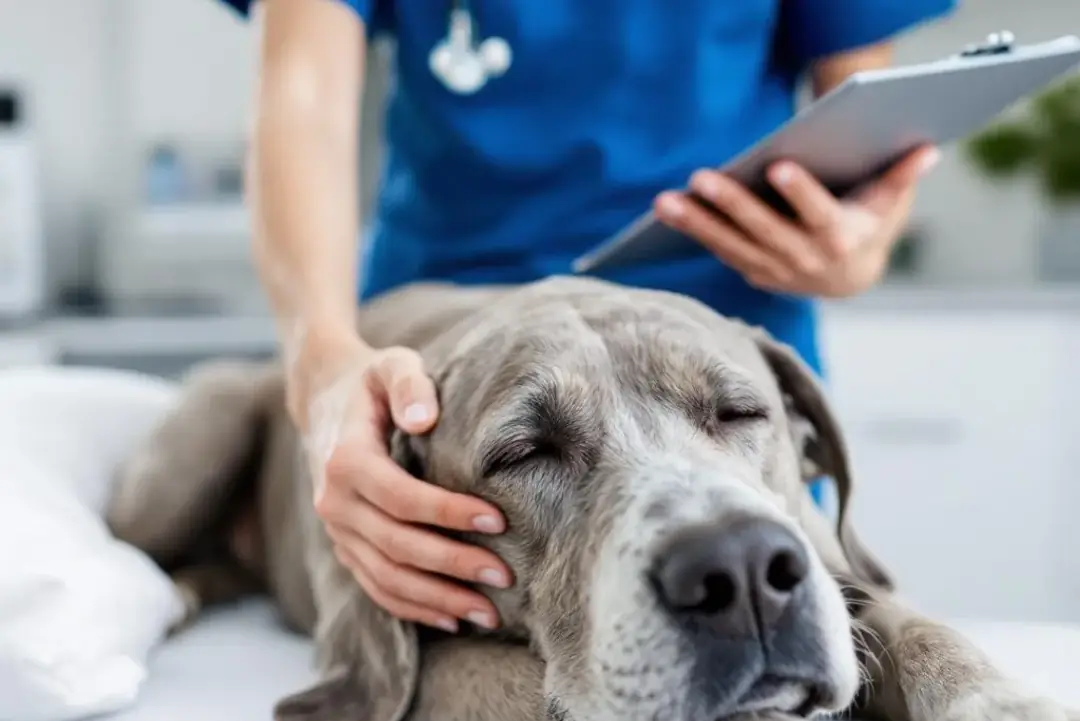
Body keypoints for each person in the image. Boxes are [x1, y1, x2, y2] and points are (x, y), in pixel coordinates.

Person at [218, 0, 955, 633]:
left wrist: (854, 248)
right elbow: (301, 98)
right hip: (456, 383)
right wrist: (321, 362)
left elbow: (863, 125)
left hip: (720, 372)